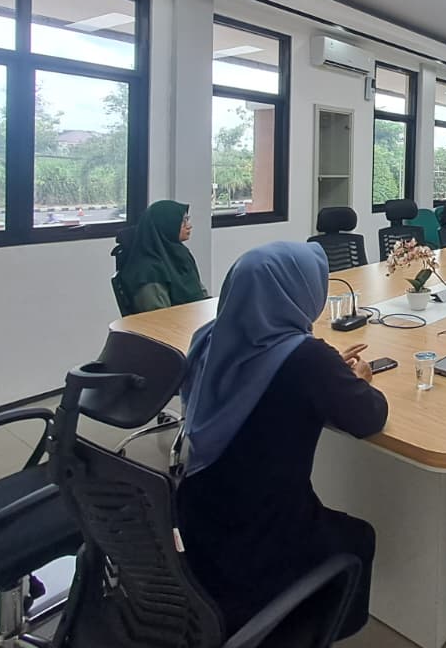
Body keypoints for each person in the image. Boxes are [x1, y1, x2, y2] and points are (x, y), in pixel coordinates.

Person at [176, 242, 387, 640]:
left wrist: (327, 373)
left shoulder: (208, 336)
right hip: (262, 538)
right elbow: (369, 416)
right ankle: (313, 632)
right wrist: (355, 379)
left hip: (196, 519)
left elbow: (259, 377)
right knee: (359, 538)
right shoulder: (307, 359)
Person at [117, 199, 208, 312]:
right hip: (173, 322)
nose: (189, 226)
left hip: (197, 317)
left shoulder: (181, 254)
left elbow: (201, 293)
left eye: (187, 219)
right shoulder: (148, 270)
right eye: (183, 221)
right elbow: (158, 314)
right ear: (166, 225)